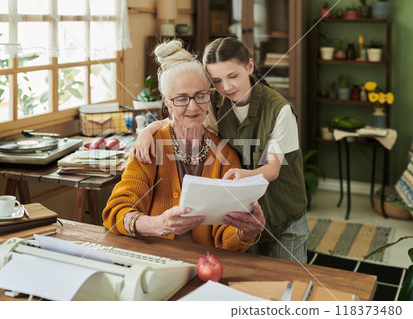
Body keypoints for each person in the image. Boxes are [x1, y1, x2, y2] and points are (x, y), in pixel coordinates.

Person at [132, 37, 309, 262]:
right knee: (251, 288)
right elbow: (181, 115)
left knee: (290, 287)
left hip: (283, 214)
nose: (226, 87)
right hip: (244, 217)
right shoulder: (213, 101)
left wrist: (244, 174)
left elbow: (273, 168)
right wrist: (147, 131)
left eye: (233, 76)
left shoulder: (279, 110)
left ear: (250, 66)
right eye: (216, 80)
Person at [102, 40, 265, 252]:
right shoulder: (149, 148)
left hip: (205, 262)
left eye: (200, 96)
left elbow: (225, 235)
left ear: (209, 96)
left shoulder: (225, 156)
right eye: (181, 99)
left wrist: (245, 233)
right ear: (167, 102)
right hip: (153, 258)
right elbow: (115, 212)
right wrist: (157, 225)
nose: (193, 106)